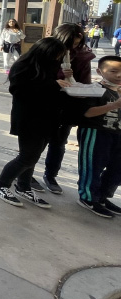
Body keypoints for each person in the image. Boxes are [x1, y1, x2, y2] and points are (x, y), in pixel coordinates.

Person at [0, 38, 70, 208]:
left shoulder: (51, 65)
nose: (58, 59)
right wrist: (53, 85)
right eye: (56, 55)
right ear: (44, 52)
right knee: (27, 156)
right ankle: (1, 185)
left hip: (48, 118)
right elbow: (19, 91)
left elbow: (51, 88)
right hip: (29, 118)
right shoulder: (23, 65)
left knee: (34, 156)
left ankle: (23, 186)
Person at [41, 23, 95, 194]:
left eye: (78, 43)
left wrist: (75, 84)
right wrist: (56, 79)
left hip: (68, 105)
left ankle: (50, 175)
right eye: (70, 43)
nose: (74, 47)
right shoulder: (45, 51)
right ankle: (25, 174)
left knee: (59, 142)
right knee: (38, 141)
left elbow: (84, 83)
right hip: (44, 103)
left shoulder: (83, 57)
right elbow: (32, 76)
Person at [73, 55, 121, 219]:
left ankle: (102, 196)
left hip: (117, 134)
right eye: (114, 71)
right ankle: (88, 197)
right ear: (99, 71)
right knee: (93, 166)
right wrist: (115, 105)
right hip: (96, 132)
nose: (119, 75)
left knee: (117, 169)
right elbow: (86, 113)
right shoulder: (94, 89)